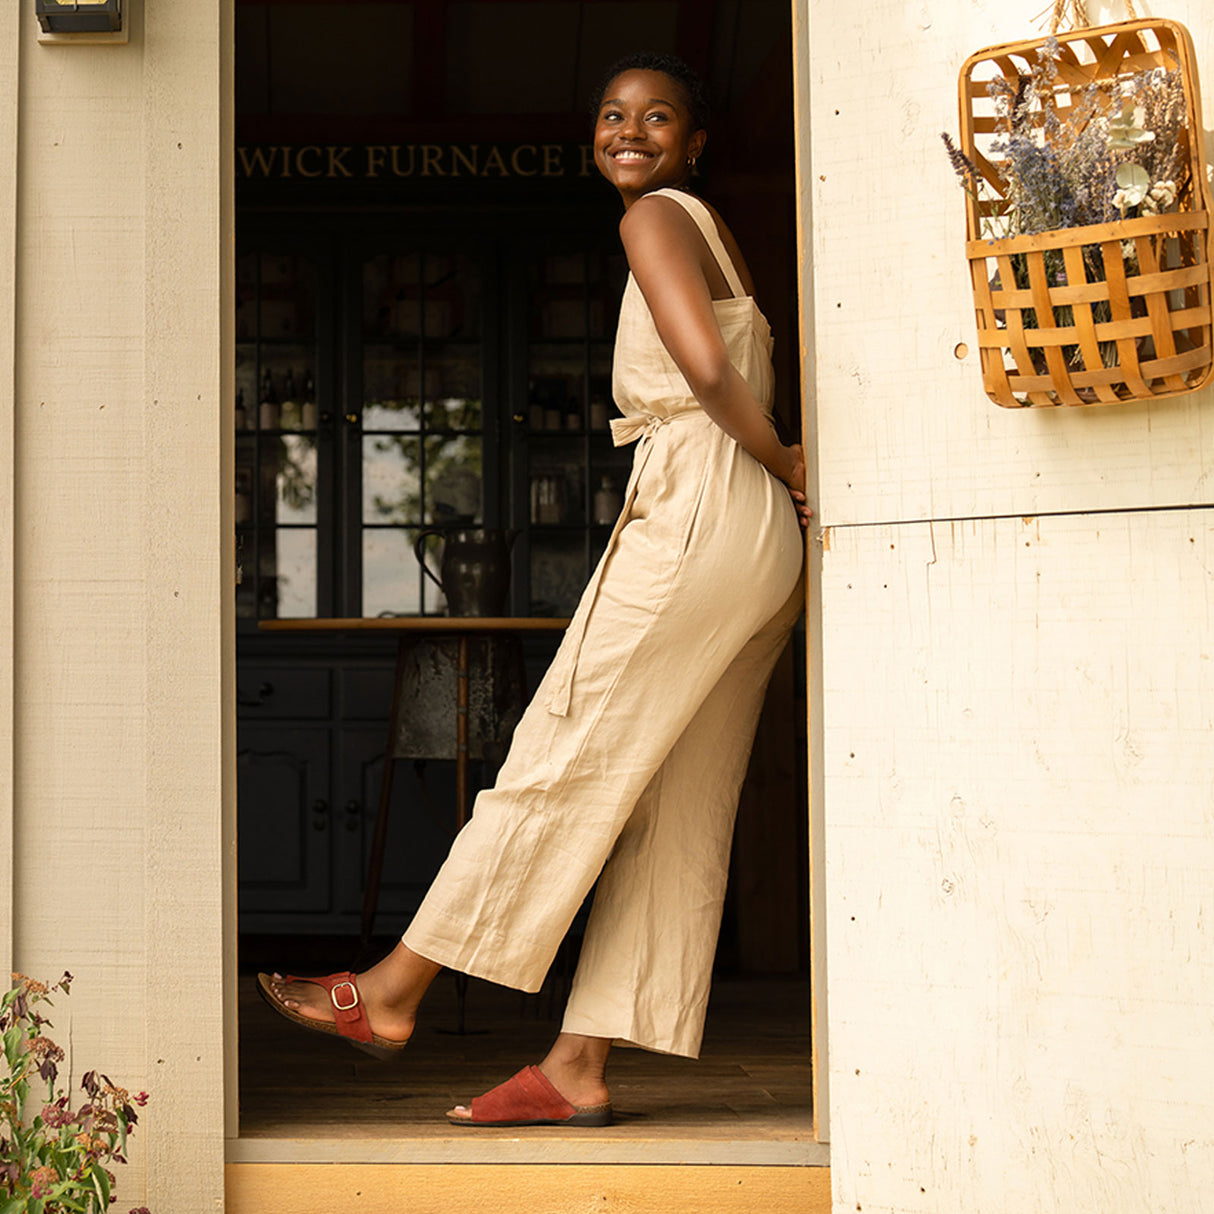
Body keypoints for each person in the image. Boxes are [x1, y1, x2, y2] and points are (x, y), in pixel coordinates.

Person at [259, 51, 810, 1129]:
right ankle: (578, 1062)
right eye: (612, 115)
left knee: (562, 748)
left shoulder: (654, 218)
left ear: (693, 143)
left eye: (659, 116)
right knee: (671, 800)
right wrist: (779, 473)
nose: (630, 131)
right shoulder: (715, 231)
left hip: (704, 493)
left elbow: (703, 371)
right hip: (757, 540)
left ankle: (394, 988)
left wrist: (785, 458)